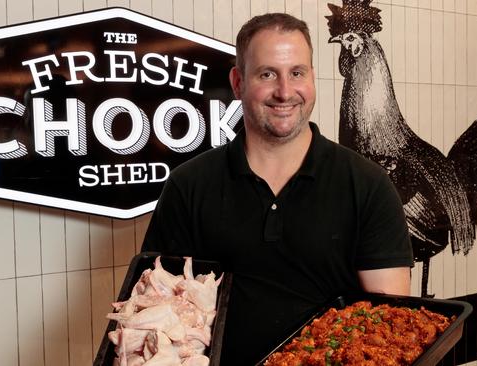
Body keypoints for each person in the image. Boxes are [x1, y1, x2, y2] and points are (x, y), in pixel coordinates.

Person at [141, 13, 414, 364]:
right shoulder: (189, 185)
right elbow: (161, 313)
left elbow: (391, 327)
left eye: (297, 73)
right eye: (267, 74)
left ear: (312, 78)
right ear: (238, 82)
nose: (285, 91)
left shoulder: (367, 185)